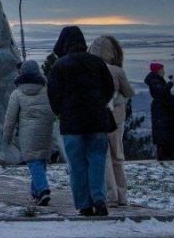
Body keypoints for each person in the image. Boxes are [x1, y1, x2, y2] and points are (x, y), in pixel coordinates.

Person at [47, 26, 116, 217]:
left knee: (77, 165)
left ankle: (84, 205)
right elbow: (109, 89)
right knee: (97, 161)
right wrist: (98, 103)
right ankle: (99, 200)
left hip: (72, 124)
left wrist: (61, 111)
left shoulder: (60, 66)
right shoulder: (96, 62)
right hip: (97, 121)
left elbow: (53, 96)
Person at [89, 35, 135, 207]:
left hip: (98, 117)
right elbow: (129, 92)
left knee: (104, 157)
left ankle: (111, 194)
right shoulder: (117, 71)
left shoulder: (91, 69)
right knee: (118, 156)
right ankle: (122, 195)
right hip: (117, 118)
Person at [3, 60, 55, 206]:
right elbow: (53, 111)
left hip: (28, 134)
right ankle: (36, 194)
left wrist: (6, 137)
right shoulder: (47, 90)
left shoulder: (17, 93)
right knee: (40, 161)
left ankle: (44, 190)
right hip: (46, 131)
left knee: (34, 162)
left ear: (22, 73)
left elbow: (10, 119)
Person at [145, 61, 174, 160]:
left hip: (164, 109)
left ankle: (169, 154)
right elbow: (161, 91)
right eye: (162, 70)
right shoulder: (154, 81)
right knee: (163, 132)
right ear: (158, 71)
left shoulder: (156, 80)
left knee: (168, 132)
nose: (163, 72)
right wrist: (171, 83)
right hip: (161, 110)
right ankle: (164, 155)